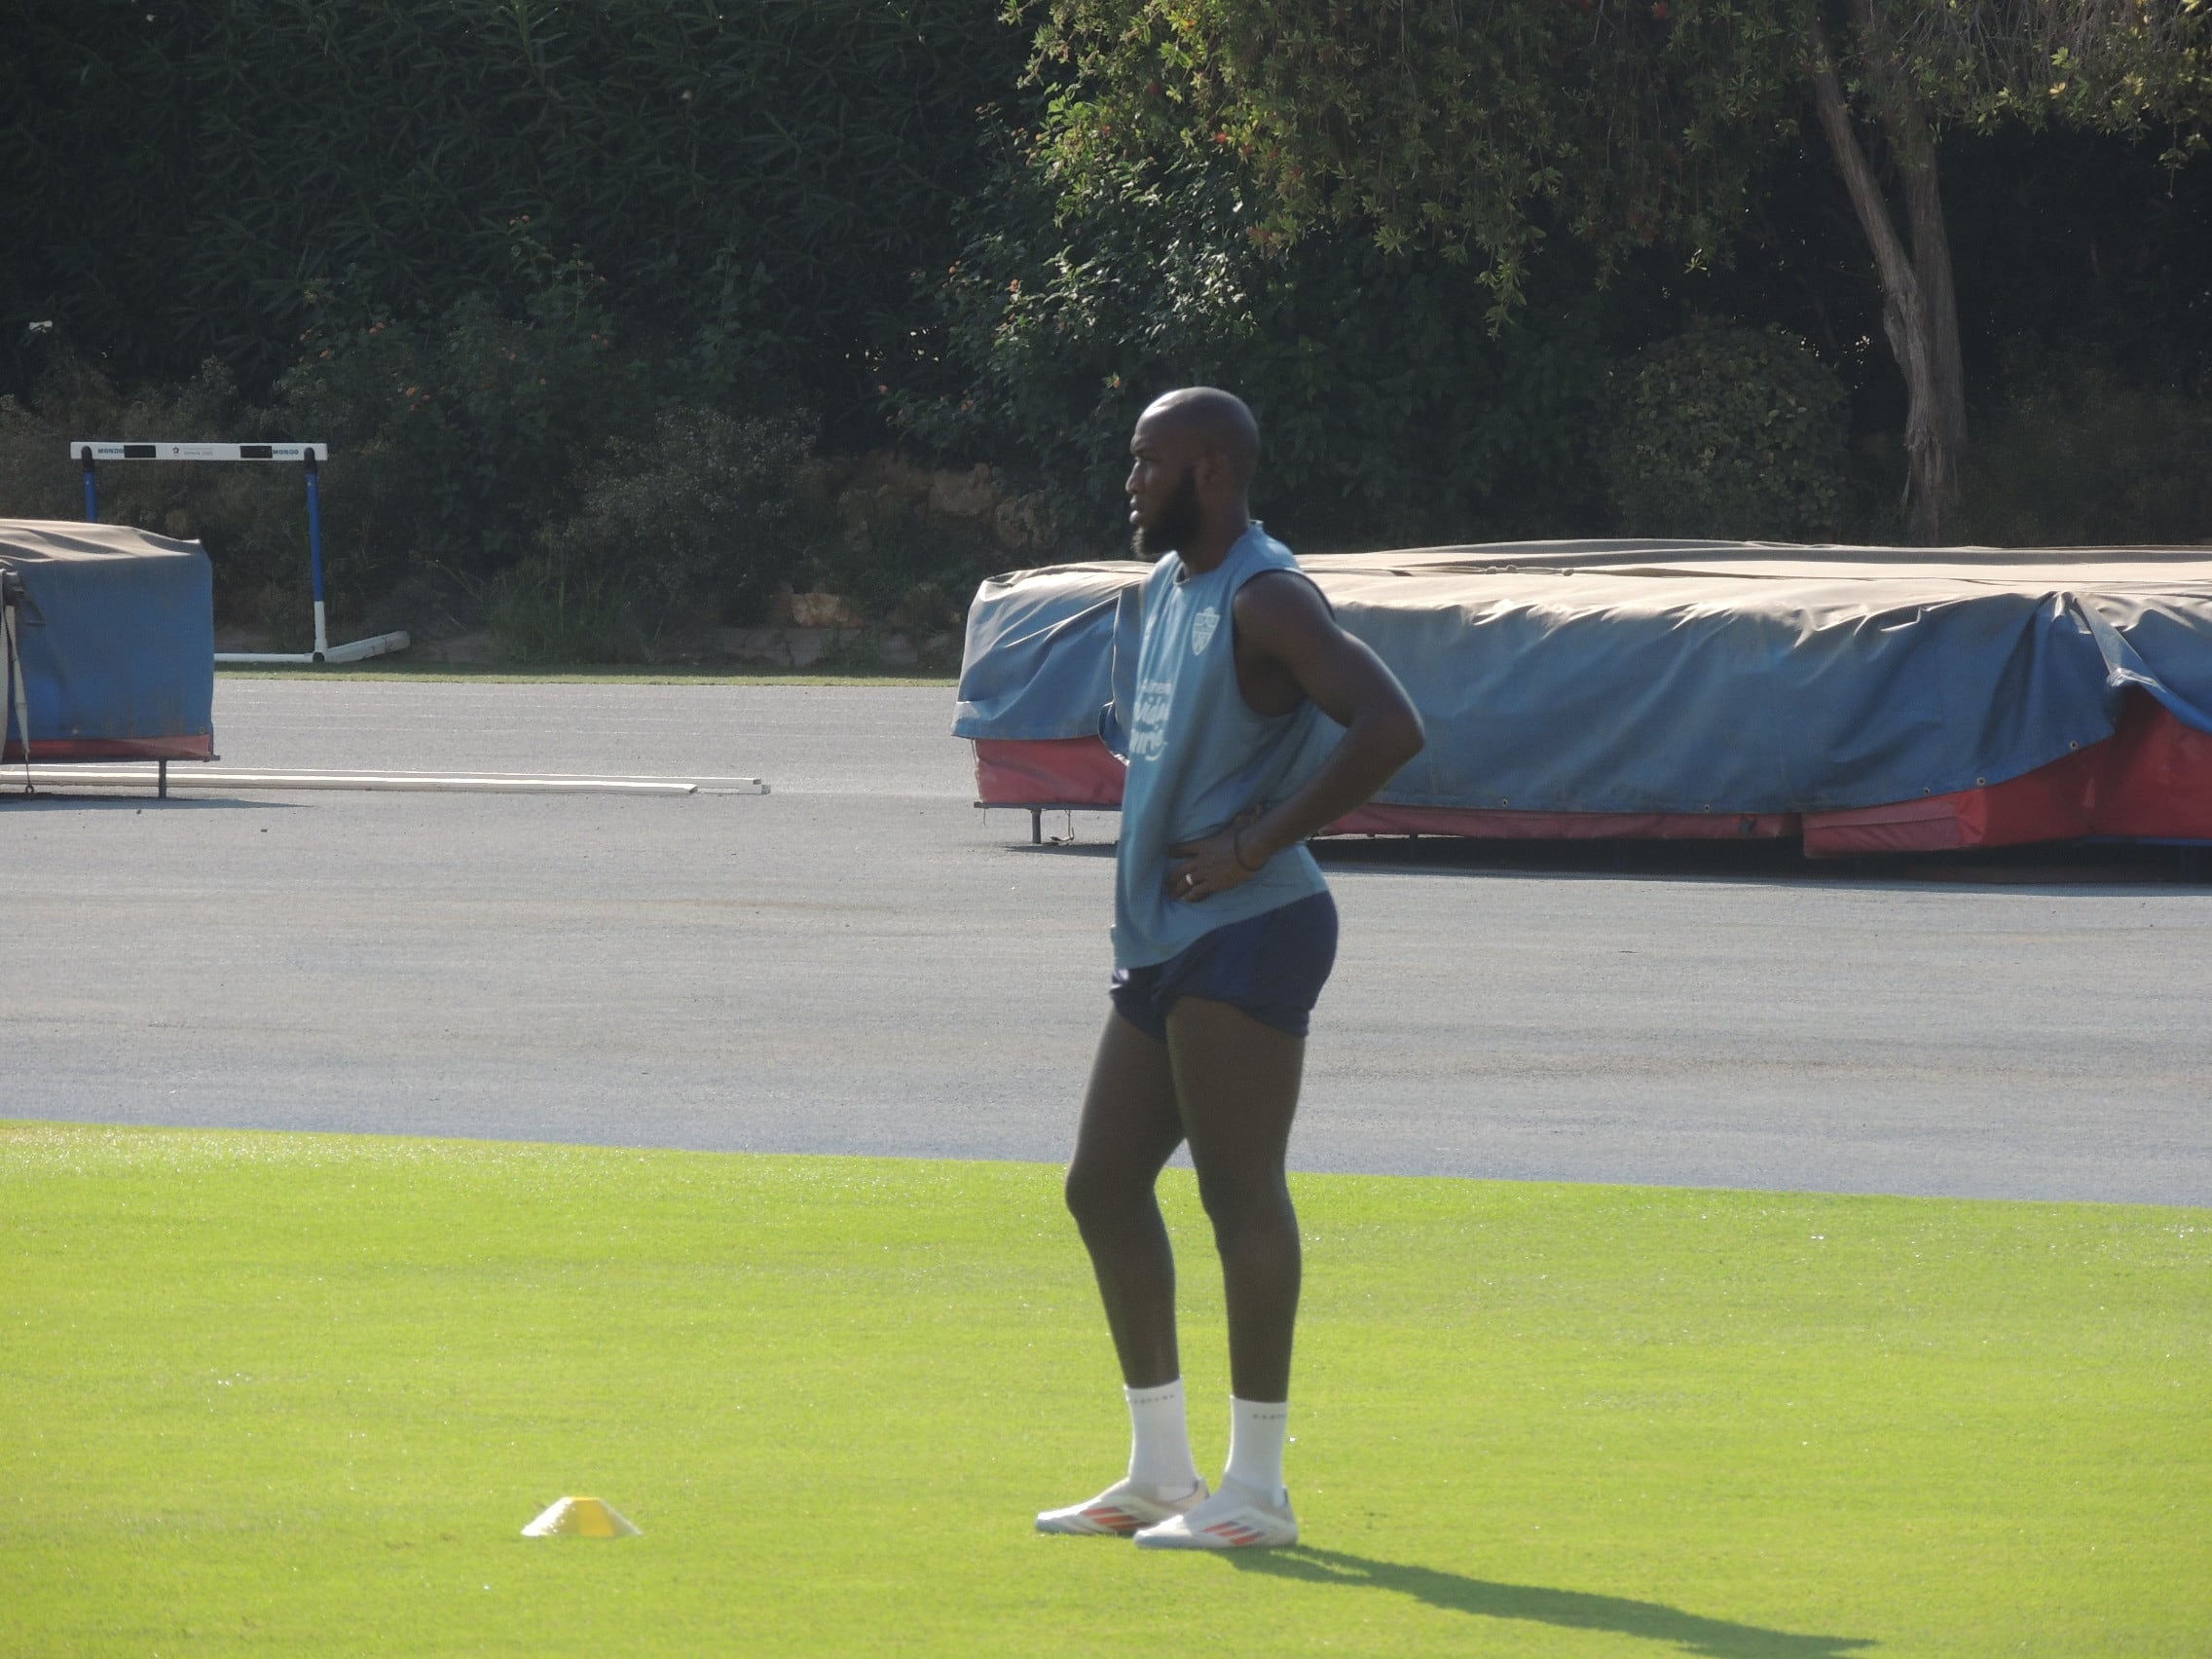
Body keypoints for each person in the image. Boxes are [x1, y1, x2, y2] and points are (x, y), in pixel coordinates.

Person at [1035, 387, 1424, 1550]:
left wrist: (1256, 842)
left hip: (1252, 925)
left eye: (1146, 461)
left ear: (1208, 470)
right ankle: (1162, 1474)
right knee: (1101, 1186)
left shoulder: (1266, 595)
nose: (1130, 480)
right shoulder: (1167, 586)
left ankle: (1257, 1490)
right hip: (1166, 933)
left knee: (1237, 1192)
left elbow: (1391, 725)